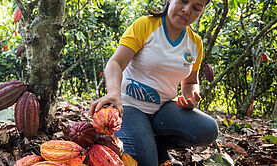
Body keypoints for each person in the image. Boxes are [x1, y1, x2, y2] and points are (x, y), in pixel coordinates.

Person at [90, 0, 218, 165]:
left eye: (196, 8)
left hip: (163, 110)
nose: (187, 10)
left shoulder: (195, 43)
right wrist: (113, 93)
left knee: (208, 129)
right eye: (183, 1)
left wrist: (190, 97)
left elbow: (190, 82)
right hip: (128, 107)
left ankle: (157, 145)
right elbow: (115, 63)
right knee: (145, 162)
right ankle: (141, 141)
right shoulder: (146, 25)